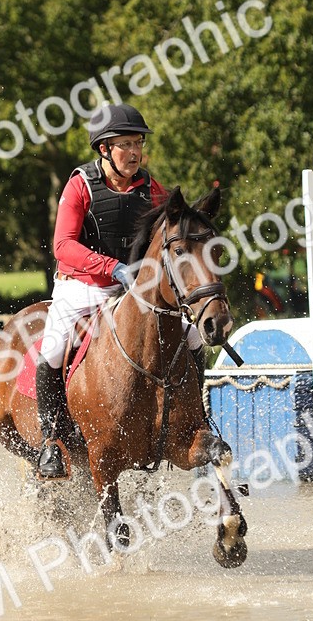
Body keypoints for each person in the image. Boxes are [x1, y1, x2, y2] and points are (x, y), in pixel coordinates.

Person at [35, 102, 203, 479]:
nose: (134, 152)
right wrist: (113, 267)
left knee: (192, 337)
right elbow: (63, 246)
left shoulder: (152, 189)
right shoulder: (80, 185)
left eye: (138, 143)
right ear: (104, 149)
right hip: (83, 286)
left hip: (134, 291)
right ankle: (51, 441)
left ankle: (198, 419)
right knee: (54, 345)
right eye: (125, 144)